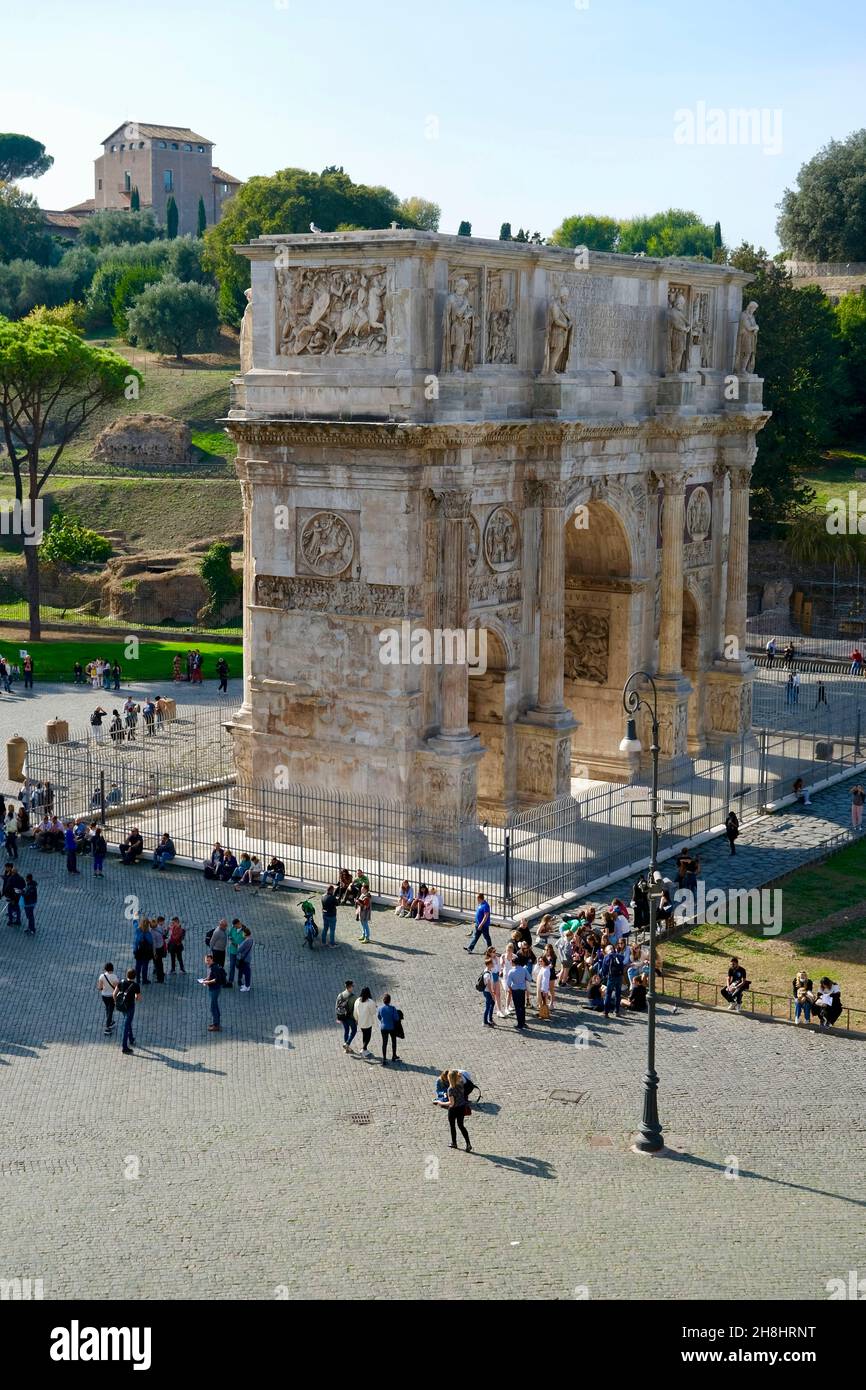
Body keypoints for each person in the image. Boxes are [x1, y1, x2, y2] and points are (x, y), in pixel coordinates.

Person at [114, 969, 141, 1055]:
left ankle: (131, 1038)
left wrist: (116, 1003)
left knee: (128, 1022)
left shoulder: (121, 982)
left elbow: (114, 994)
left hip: (122, 1007)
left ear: (126, 975)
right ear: (135, 976)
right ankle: (124, 1047)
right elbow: (138, 998)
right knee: (126, 1025)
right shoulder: (136, 985)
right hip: (130, 1007)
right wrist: (136, 997)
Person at [446, 1069, 472, 1152]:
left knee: (452, 1126)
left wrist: (440, 1102)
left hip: (453, 1110)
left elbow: (451, 1103)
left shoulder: (450, 1089)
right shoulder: (461, 1083)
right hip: (461, 1108)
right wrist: (459, 1074)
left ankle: (454, 1143)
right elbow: (461, 1076)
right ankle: (468, 1144)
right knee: (461, 1125)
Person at [201, 953, 226, 1031]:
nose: (207, 962)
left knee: (213, 1007)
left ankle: (216, 1025)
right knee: (215, 1006)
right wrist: (205, 979)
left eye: (208, 960)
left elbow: (216, 979)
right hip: (213, 988)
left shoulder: (214, 968)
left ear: (212, 959)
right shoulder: (211, 967)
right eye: (206, 960)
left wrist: (208, 982)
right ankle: (216, 1023)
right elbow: (210, 976)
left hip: (215, 989)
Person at [506, 954, 532, 1030]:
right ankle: (523, 1022)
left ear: (514, 963)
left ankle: (519, 1024)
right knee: (522, 1007)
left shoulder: (511, 971)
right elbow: (530, 979)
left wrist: (511, 988)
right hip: (522, 990)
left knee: (517, 1007)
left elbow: (508, 983)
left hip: (515, 991)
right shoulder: (524, 969)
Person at [601, 943, 625, 1018]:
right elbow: (622, 963)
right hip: (619, 977)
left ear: (607, 951)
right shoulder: (619, 956)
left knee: (608, 994)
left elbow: (604, 969)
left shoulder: (607, 957)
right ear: (613, 949)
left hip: (611, 977)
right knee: (618, 994)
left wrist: (604, 976)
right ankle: (617, 1011)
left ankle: (606, 1012)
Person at [378, 993, 401, 1065]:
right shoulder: (393, 1008)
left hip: (383, 1028)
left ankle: (384, 1059)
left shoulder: (380, 1008)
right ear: (389, 1001)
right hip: (391, 1027)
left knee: (384, 1043)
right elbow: (396, 1018)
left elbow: (379, 1017)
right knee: (393, 1041)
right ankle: (394, 1056)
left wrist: (383, 1021)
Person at [97, 961, 120, 1034]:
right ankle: (107, 1027)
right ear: (112, 968)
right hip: (112, 996)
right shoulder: (114, 977)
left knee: (107, 1008)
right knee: (110, 1011)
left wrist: (104, 987)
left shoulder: (102, 976)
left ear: (105, 969)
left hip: (104, 996)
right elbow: (117, 987)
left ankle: (110, 1022)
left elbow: (100, 988)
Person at [354, 987, 377, 1058]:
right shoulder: (370, 1002)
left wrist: (356, 1019)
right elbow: (373, 1012)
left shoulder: (357, 1000)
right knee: (368, 1036)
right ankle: (363, 1049)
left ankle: (365, 1049)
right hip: (367, 1022)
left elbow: (355, 1011)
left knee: (364, 1035)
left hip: (360, 1022)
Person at [336, 980, 358, 1052]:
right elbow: (356, 1009)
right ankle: (347, 1043)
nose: (353, 988)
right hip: (350, 1018)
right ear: (350, 987)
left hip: (342, 1017)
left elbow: (336, 1006)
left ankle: (347, 1048)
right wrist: (356, 1019)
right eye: (352, 987)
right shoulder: (353, 997)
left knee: (346, 1030)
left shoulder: (340, 995)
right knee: (354, 1030)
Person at [133, 918, 154, 986]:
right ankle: (144, 980)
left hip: (138, 951)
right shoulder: (148, 933)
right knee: (145, 966)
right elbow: (151, 941)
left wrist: (135, 917)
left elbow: (135, 923)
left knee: (138, 966)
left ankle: (138, 979)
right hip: (146, 953)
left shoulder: (137, 930)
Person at [226, 918, 245, 986]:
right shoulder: (233, 928)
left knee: (240, 967)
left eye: (235, 926)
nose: (234, 927)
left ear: (239, 923)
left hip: (240, 953)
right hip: (232, 951)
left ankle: (239, 980)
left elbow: (247, 941)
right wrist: (231, 939)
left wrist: (239, 945)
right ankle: (230, 981)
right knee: (232, 966)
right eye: (233, 926)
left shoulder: (244, 931)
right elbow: (229, 935)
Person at [236, 926, 253, 991]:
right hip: (247, 958)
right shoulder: (250, 939)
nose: (242, 934)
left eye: (243, 933)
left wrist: (238, 946)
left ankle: (247, 986)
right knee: (246, 971)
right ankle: (246, 985)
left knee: (247, 972)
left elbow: (239, 949)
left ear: (245, 933)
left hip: (245, 959)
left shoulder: (247, 941)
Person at [151, 918, 167, 984]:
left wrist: (154, 953)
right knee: (160, 963)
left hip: (157, 949)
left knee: (157, 964)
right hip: (162, 947)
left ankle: (159, 978)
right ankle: (162, 975)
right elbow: (164, 933)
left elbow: (154, 944)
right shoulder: (159, 927)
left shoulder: (152, 932)